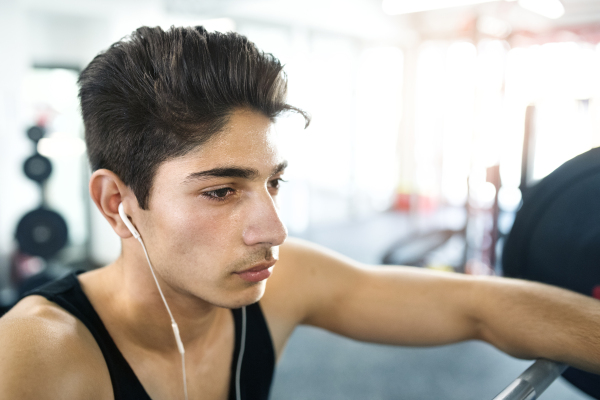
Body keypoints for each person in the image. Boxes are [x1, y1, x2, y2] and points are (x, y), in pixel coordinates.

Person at [0, 25, 599, 400]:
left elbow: (481, 310)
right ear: (116, 202)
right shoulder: (39, 355)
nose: (274, 231)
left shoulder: (279, 282)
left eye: (273, 183)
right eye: (220, 191)